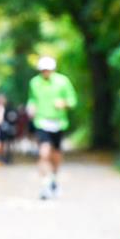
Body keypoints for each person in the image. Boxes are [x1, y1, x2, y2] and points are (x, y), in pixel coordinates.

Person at [27, 56, 77, 199]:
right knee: (43, 153)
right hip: (41, 122)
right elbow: (32, 99)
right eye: (43, 70)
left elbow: (73, 100)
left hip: (58, 122)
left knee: (56, 154)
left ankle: (54, 179)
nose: (45, 72)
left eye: (48, 70)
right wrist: (31, 107)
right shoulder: (34, 82)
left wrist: (64, 103)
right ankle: (45, 184)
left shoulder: (63, 81)